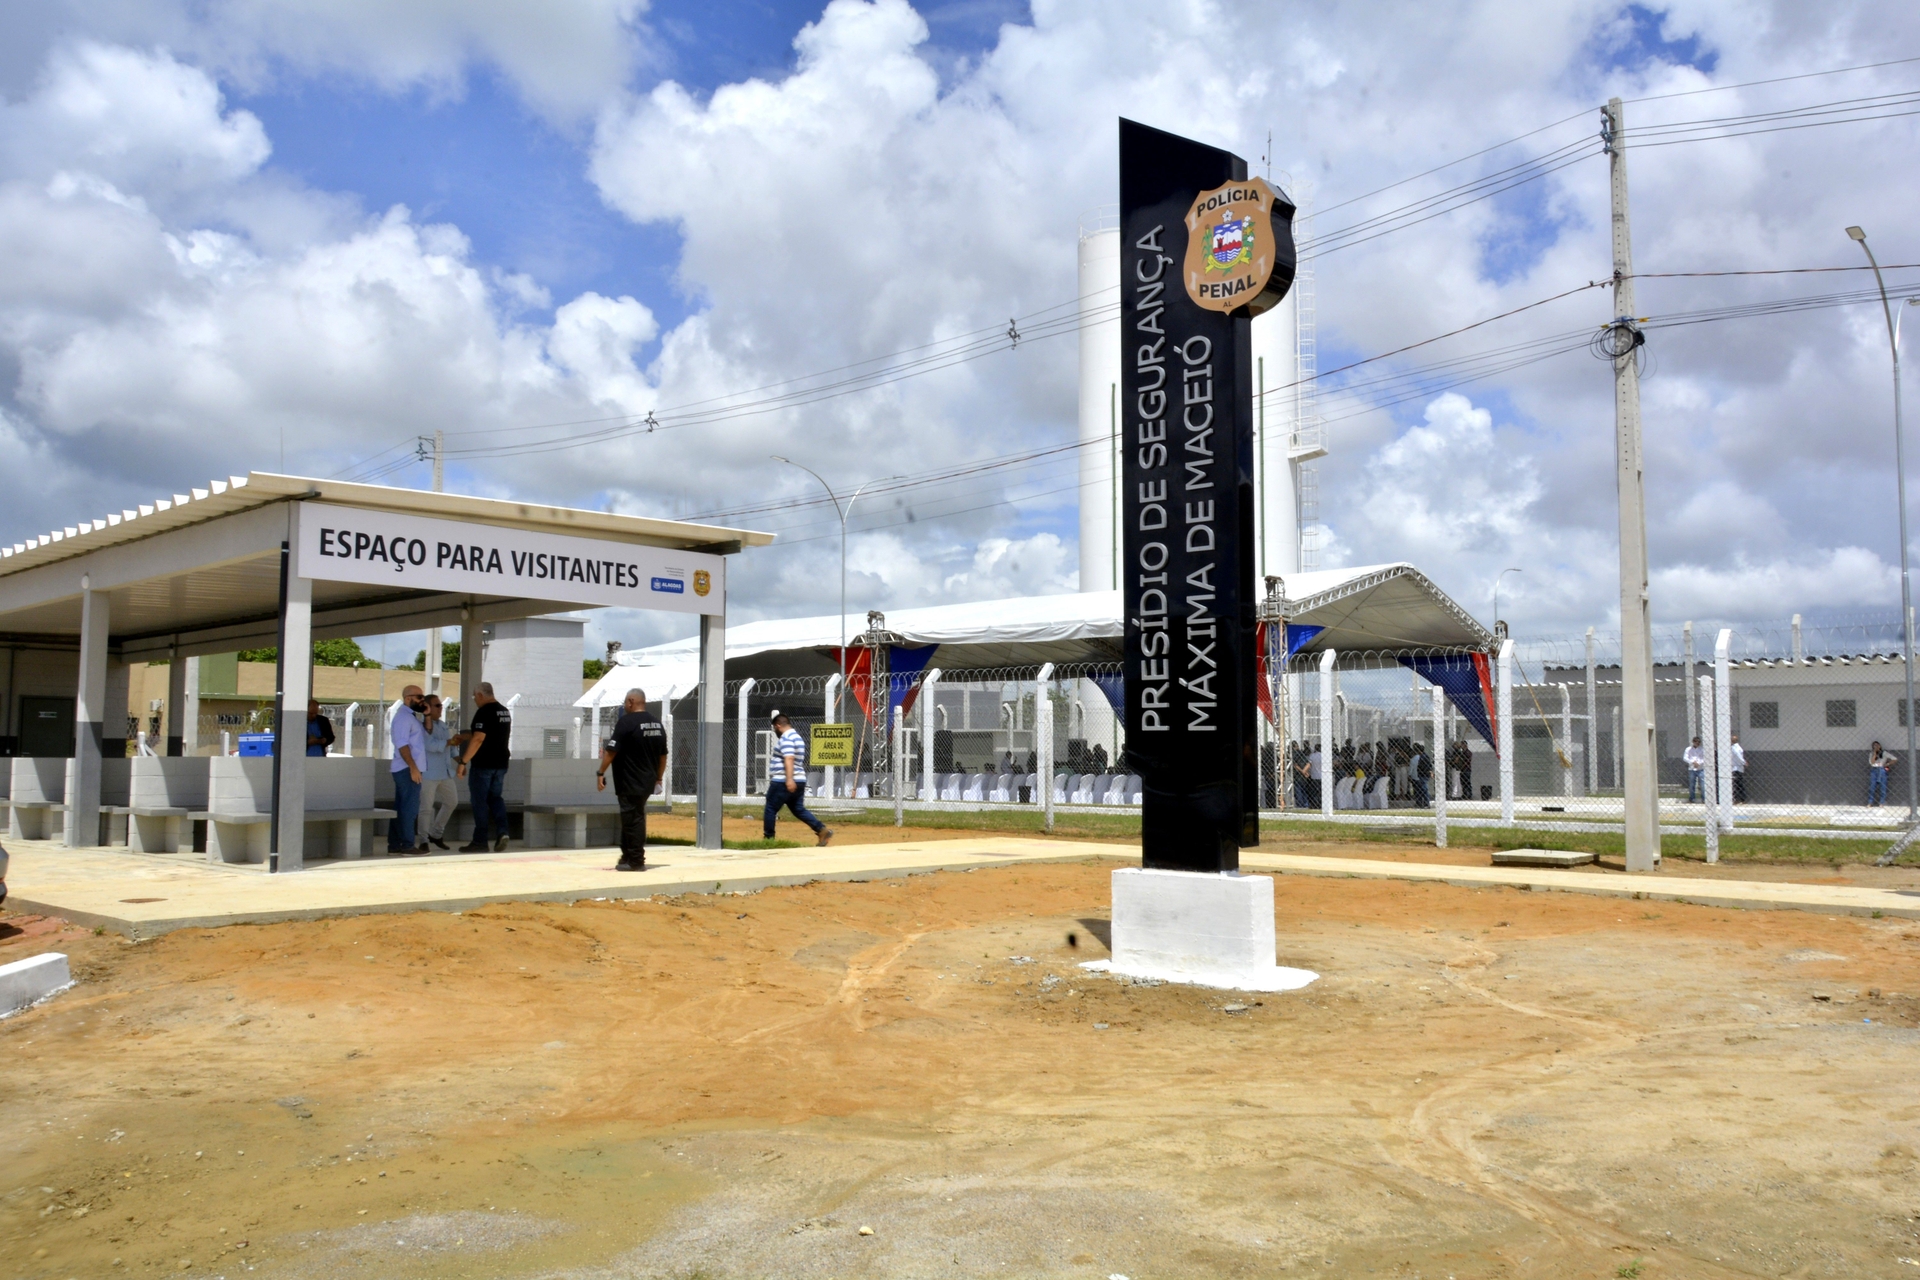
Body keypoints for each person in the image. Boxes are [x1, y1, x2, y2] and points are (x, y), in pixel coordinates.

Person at [598, 688, 668, 870]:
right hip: (647, 781)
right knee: (631, 817)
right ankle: (626, 856)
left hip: (629, 781)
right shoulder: (657, 724)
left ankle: (636, 860)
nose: (624, 705)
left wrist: (600, 773)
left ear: (631, 701)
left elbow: (611, 751)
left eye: (625, 702)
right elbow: (663, 757)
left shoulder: (626, 722)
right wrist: (658, 778)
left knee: (633, 819)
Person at [455, 682, 512, 852]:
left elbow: (479, 738)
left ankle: (480, 841)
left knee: (479, 802)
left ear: (480, 695)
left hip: (484, 765)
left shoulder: (484, 712)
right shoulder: (504, 711)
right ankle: (503, 831)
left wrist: (463, 762)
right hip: (501, 764)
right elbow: (490, 733)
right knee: (495, 799)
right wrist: (466, 737)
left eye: (474, 697)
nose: (474, 700)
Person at [765, 710, 832, 846]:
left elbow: (789, 758)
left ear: (778, 725)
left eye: (774, 729)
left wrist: (789, 779)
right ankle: (821, 829)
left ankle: (768, 839)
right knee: (798, 809)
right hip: (799, 779)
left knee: (770, 808)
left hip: (783, 780)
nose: (775, 732)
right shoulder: (798, 737)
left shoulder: (786, 738)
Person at [386, 684, 428, 853]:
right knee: (409, 809)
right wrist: (413, 768)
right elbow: (402, 745)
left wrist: (427, 716)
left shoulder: (411, 717)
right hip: (406, 769)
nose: (422, 700)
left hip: (408, 768)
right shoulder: (403, 718)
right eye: (419, 697)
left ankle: (395, 845)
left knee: (401, 807)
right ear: (408, 698)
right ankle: (407, 845)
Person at [418, 694, 458, 850]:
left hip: (445, 773)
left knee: (451, 802)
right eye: (437, 706)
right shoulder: (422, 726)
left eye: (441, 705)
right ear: (427, 708)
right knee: (426, 807)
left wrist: (461, 761)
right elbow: (431, 745)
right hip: (428, 773)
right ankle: (423, 840)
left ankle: (436, 834)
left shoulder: (442, 725)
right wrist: (450, 742)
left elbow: (451, 748)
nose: (441, 708)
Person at [1869, 741, 1897, 807]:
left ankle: (1881, 802)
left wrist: (1887, 764)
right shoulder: (1872, 754)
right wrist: (1875, 754)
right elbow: (1872, 763)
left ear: (1880, 746)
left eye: (1877, 745)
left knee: (1883, 787)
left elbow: (1894, 759)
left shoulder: (1884, 753)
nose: (1876, 747)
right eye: (1874, 746)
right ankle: (1870, 802)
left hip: (1881, 769)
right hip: (1874, 769)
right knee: (1872, 787)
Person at [1683, 736, 1706, 804]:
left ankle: (1704, 798)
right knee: (1692, 784)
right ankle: (1692, 798)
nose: (1697, 743)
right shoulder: (1688, 749)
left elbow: (1704, 758)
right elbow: (1685, 758)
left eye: (1699, 742)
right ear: (1693, 742)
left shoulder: (1702, 749)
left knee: (1702, 785)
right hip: (1692, 768)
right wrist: (1692, 762)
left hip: (1700, 768)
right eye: (1696, 742)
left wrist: (1699, 763)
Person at [1730, 732, 1747, 804]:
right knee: (1739, 784)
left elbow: (1738, 756)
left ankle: (1737, 799)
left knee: (1736, 785)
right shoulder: (1739, 747)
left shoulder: (1734, 748)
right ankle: (1742, 799)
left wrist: (1743, 762)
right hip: (1738, 768)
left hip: (1735, 768)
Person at [1307, 740, 1324, 809]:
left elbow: (1309, 764)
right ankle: (1321, 804)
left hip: (1314, 775)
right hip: (1322, 776)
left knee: (1314, 792)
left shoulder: (1312, 756)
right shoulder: (1324, 756)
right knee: (1321, 791)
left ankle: (1315, 804)